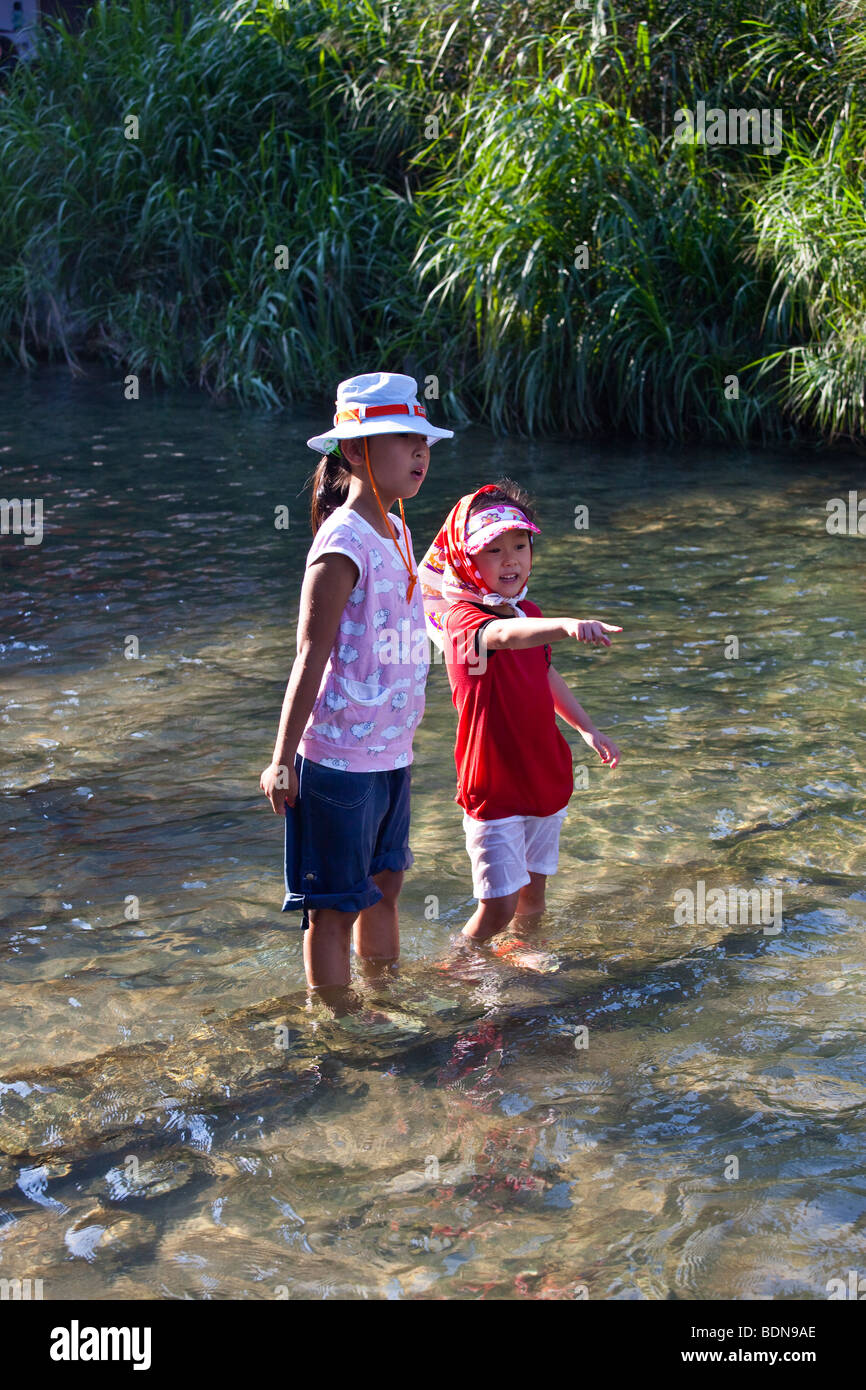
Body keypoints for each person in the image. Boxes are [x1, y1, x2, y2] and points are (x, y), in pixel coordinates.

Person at [260, 372, 453, 999]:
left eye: (423, 440)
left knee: (386, 886)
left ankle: (386, 1003)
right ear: (354, 451)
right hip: (339, 759)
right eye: (402, 439)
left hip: (390, 752)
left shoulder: (395, 530)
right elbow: (309, 657)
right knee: (334, 909)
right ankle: (339, 1031)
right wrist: (282, 761)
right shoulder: (341, 543)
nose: (420, 452)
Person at [420, 480, 622, 947]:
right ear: (467, 561)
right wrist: (569, 625)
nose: (510, 559)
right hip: (493, 781)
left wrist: (587, 728)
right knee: (498, 906)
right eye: (492, 550)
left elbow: (544, 675)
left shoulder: (527, 611)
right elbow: (508, 637)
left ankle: (522, 961)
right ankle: (460, 967)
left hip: (542, 771)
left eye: (519, 544)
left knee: (533, 896)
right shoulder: (462, 620)